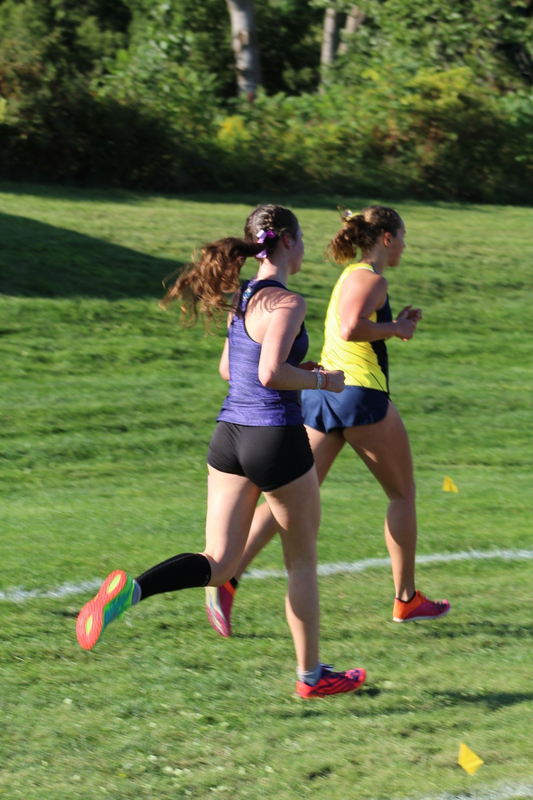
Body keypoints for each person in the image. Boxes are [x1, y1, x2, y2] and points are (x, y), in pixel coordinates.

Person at [76, 204, 367, 699]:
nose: (303, 248)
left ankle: (134, 589)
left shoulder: (244, 295)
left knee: (220, 562)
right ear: (289, 241)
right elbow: (270, 374)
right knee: (301, 563)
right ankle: (312, 677)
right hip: (276, 438)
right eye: (302, 239)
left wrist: (297, 371)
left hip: (230, 436)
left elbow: (231, 370)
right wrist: (325, 381)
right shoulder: (288, 302)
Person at [205, 205, 450, 638]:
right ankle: (406, 598)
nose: (405, 244)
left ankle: (228, 576)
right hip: (357, 393)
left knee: (288, 497)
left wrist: (394, 324)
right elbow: (351, 327)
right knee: (403, 494)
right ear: (387, 238)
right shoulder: (372, 278)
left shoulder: (350, 275)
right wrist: (395, 329)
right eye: (403, 236)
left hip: (324, 398)